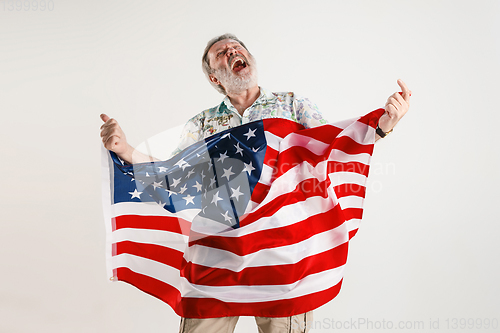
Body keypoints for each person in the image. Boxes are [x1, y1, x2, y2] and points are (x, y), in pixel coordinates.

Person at [100, 33, 411, 333]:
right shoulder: (202, 124)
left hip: (284, 252)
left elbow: (331, 149)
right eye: (222, 53)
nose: (233, 51)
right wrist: (125, 151)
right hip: (218, 251)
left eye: (238, 47)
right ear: (214, 78)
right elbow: (175, 177)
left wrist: (381, 126)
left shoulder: (294, 106)